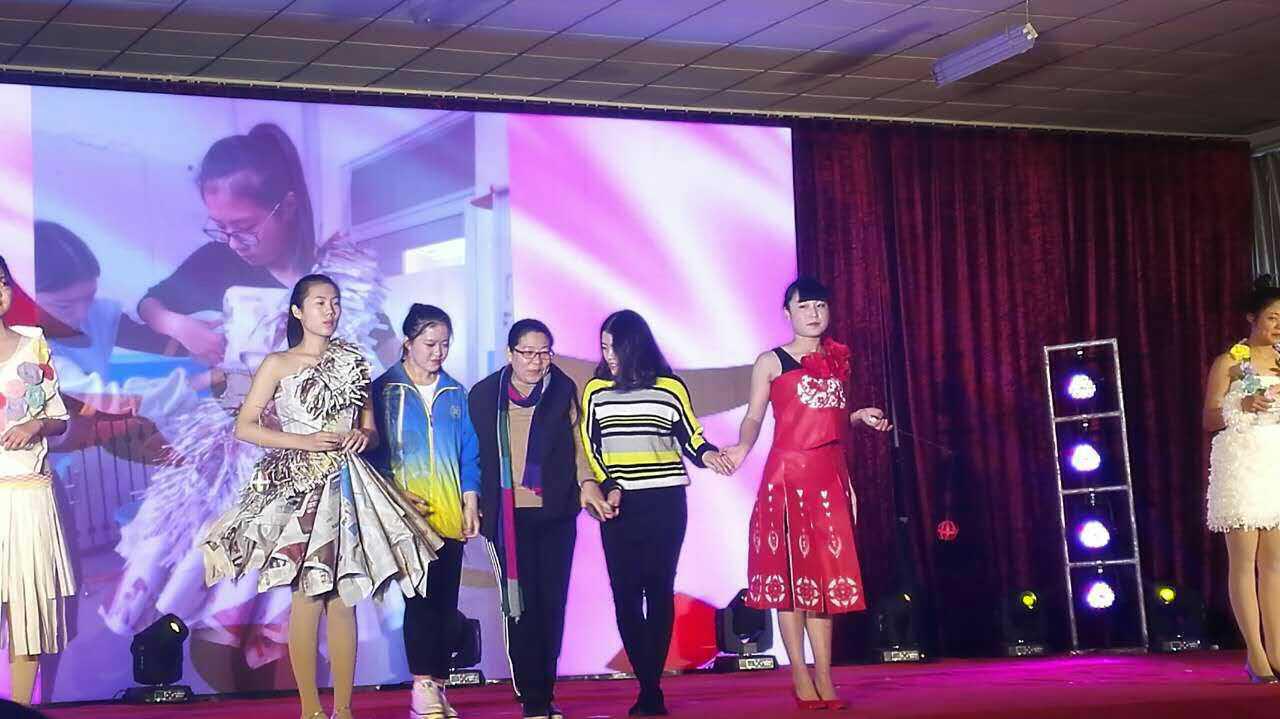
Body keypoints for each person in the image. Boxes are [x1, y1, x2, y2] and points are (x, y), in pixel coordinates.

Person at [200, 274, 440, 719]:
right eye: (319, 303)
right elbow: (245, 427)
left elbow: (370, 429)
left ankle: (344, 710)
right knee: (307, 597)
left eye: (335, 302)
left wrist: (362, 437)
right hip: (299, 486)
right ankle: (311, 709)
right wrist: (303, 441)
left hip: (348, 485)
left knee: (345, 597)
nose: (330, 311)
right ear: (298, 311)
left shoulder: (353, 361)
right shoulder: (278, 363)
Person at [721, 277, 891, 710]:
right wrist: (742, 446)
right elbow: (755, 416)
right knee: (792, 579)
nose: (813, 314)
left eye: (820, 306)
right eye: (804, 306)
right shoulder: (772, 361)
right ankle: (799, 672)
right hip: (787, 477)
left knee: (825, 582)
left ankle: (825, 676)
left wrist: (858, 416)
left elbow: (827, 419)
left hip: (830, 476)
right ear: (787, 313)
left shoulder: (838, 359)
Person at [579, 310, 733, 717]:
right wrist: (608, 484)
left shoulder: (669, 387)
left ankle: (651, 688)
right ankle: (647, 682)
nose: (608, 355)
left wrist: (710, 456)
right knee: (625, 594)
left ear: (634, 345)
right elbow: (592, 448)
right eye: (603, 347)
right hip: (619, 504)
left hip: (665, 501)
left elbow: (690, 436)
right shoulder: (596, 390)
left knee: (659, 589)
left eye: (614, 347)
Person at [469, 319, 598, 719]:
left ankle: (546, 688)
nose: (536, 361)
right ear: (510, 354)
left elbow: (578, 446)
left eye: (544, 353)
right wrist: (470, 500)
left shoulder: (562, 389)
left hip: (556, 512)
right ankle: (532, 695)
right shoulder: (484, 395)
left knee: (552, 604)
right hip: (507, 517)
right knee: (520, 606)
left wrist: (588, 483)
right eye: (527, 353)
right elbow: (471, 454)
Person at [367, 304, 480, 719]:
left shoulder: (455, 393)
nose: (438, 352)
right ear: (407, 343)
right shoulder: (383, 391)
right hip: (405, 518)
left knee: (446, 604)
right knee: (420, 603)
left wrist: (470, 499)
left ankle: (439, 686)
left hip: (448, 514)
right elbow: (371, 454)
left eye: (445, 344)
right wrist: (394, 494)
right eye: (430, 344)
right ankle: (421, 686)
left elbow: (470, 452)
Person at [0, 255, 76, 706]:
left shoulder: (34, 345)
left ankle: (20, 708)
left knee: (27, 610)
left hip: (28, 496)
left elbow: (59, 418)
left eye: (2, 282)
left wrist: (36, 424)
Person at [1204, 276, 1280, 684]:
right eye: (1272, 317)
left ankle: (1277, 650)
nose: (1278, 325)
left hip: (1274, 461)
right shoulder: (1230, 362)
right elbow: (1209, 418)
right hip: (1241, 461)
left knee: (1275, 564)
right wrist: (1244, 405)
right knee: (1244, 561)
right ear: (1252, 318)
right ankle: (1255, 653)